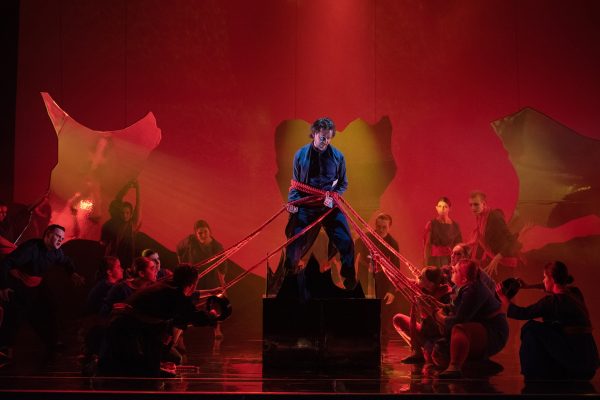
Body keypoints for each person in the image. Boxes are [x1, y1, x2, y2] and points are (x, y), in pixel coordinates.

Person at [98, 264, 225, 377]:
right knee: (142, 374)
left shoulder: (166, 286)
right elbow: (193, 316)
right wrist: (212, 315)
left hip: (126, 326)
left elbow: (185, 304)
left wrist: (211, 293)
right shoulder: (175, 295)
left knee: (157, 364)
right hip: (125, 330)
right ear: (192, 284)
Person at [285, 117, 356, 290]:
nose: (326, 141)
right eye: (323, 137)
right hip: (307, 206)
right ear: (315, 134)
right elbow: (295, 184)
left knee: (346, 239)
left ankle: (349, 277)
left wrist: (334, 196)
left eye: (329, 138)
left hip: (328, 206)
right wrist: (294, 202)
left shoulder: (338, 157)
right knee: (295, 240)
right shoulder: (300, 155)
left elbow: (343, 183)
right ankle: (290, 277)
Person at [496, 261, 598, 381]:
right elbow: (553, 286)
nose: (543, 280)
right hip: (589, 362)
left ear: (553, 279)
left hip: (575, 366)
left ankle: (532, 374)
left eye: (544, 277)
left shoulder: (552, 302)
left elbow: (522, 313)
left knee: (530, 328)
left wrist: (503, 297)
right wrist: (529, 286)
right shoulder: (575, 293)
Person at [0, 224, 85, 362]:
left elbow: (66, 261)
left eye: (62, 238)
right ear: (47, 235)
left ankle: (52, 342)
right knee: (15, 315)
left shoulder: (57, 252)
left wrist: (72, 272)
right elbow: (6, 263)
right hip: (19, 284)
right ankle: (4, 347)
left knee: (50, 309)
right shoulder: (30, 249)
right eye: (57, 236)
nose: (60, 240)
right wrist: (3, 286)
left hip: (37, 285)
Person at [433, 259, 509, 378]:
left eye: (456, 271)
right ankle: (476, 364)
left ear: (464, 279)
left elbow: (459, 319)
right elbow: (456, 308)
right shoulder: (465, 287)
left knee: (459, 329)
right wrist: (438, 305)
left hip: (494, 333)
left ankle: (455, 367)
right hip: (482, 327)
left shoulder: (473, 290)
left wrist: (440, 317)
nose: (452, 271)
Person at [177, 220, 227, 338]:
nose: (203, 235)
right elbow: (178, 248)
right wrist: (183, 268)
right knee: (187, 302)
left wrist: (222, 282)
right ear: (196, 234)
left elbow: (223, 266)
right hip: (194, 278)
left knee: (214, 302)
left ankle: (217, 330)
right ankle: (180, 331)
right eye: (200, 233)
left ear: (209, 231)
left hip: (211, 277)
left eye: (205, 232)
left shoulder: (216, 246)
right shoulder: (190, 241)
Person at [393, 266, 453, 364]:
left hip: (438, 337)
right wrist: (382, 264)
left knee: (432, 356)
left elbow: (444, 327)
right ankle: (418, 351)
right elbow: (401, 279)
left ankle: (425, 349)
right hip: (425, 332)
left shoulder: (446, 295)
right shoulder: (422, 288)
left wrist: (428, 312)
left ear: (430, 284)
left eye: (421, 277)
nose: (418, 278)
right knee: (398, 319)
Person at [468, 191, 521, 278]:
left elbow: (512, 240)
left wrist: (498, 257)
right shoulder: (480, 217)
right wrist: (475, 261)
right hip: (493, 259)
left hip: (505, 262)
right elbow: (482, 240)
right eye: (471, 205)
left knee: (499, 290)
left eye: (476, 204)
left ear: (483, 204)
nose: (473, 208)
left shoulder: (495, 217)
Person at [100, 179, 141, 273]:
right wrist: (126, 186)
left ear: (131, 214)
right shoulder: (113, 223)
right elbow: (118, 199)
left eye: (127, 213)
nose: (124, 215)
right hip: (111, 260)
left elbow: (138, 204)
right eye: (122, 213)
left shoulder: (132, 225)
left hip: (125, 262)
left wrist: (138, 188)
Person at [424, 197, 462, 268]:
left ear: (449, 209)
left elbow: (458, 245)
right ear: (436, 208)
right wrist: (426, 263)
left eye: (445, 207)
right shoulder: (431, 224)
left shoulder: (455, 226)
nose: (442, 209)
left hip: (449, 260)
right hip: (434, 260)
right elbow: (427, 245)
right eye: (440, 206)